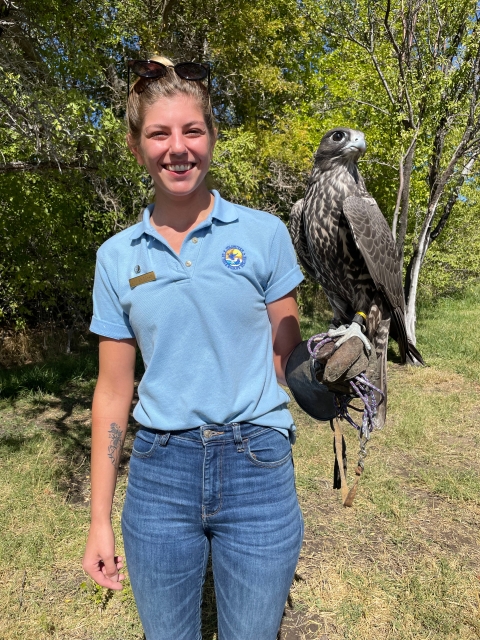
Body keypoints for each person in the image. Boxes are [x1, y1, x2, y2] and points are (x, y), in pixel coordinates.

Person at [82, 55, 305, 640]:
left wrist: (327, 375)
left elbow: (290, 357)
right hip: (160, 475)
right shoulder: (116, 257)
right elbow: (112, 392)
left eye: (192, 130)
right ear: (137, 147)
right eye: (159, 133)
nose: (177, 148)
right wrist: (98, 520)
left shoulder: (264, 234)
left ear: (211, 138)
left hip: (258, 466)